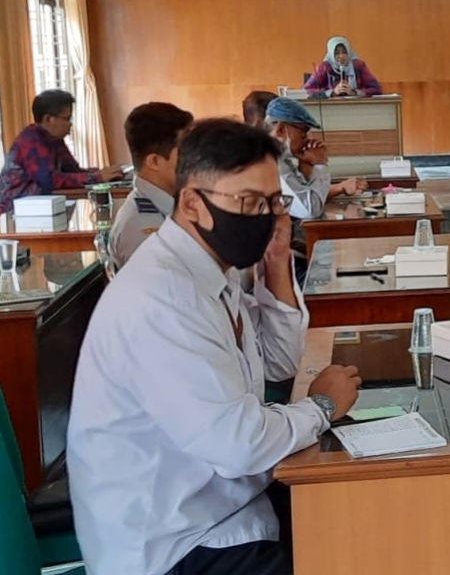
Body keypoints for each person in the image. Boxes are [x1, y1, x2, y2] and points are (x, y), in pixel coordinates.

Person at [67, 119, 362, 575]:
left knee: (360, 519)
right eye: (249, 202)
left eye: (273, 202)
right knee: (358, 548)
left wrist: (277, 263)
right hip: (175, 545)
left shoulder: (208, 269)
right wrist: (322, 405)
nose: (266, 217)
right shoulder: (162, 296)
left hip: (225, 509)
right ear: (191, 203)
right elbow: (240, 444)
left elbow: (278, 366)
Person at [0, 89, 122, 213]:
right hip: (14, 213)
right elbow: (48, 181)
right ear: (48, 119)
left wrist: (103, 173)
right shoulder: (31, 140)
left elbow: (73, 171)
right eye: (66, 119)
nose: (70, 124)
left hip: (40, 209)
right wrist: (97, 178)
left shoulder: (54, 140)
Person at [108, 102, 194, 269]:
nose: (195, 160)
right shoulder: (140, 226)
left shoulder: (172, 204)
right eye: (186, 152)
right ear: (154, 161)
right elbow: (174, 289)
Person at [263, 98, 363, 220]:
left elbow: (306, 195)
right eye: (303, 133)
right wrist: (320, 164)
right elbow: (309, 210)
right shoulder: (270, 163)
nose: (307, 139)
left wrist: (306, 165)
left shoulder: (282, 160)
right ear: (280, 129)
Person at [304, 36, 381, 98]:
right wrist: (332, 92)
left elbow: (376, 89)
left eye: (344, 52)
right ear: (331, 54)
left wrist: (355, 92)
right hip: (330, 109)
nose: (341, 56)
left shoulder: (358, 66)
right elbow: (307, 90)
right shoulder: (324, 67)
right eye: (337, 53)